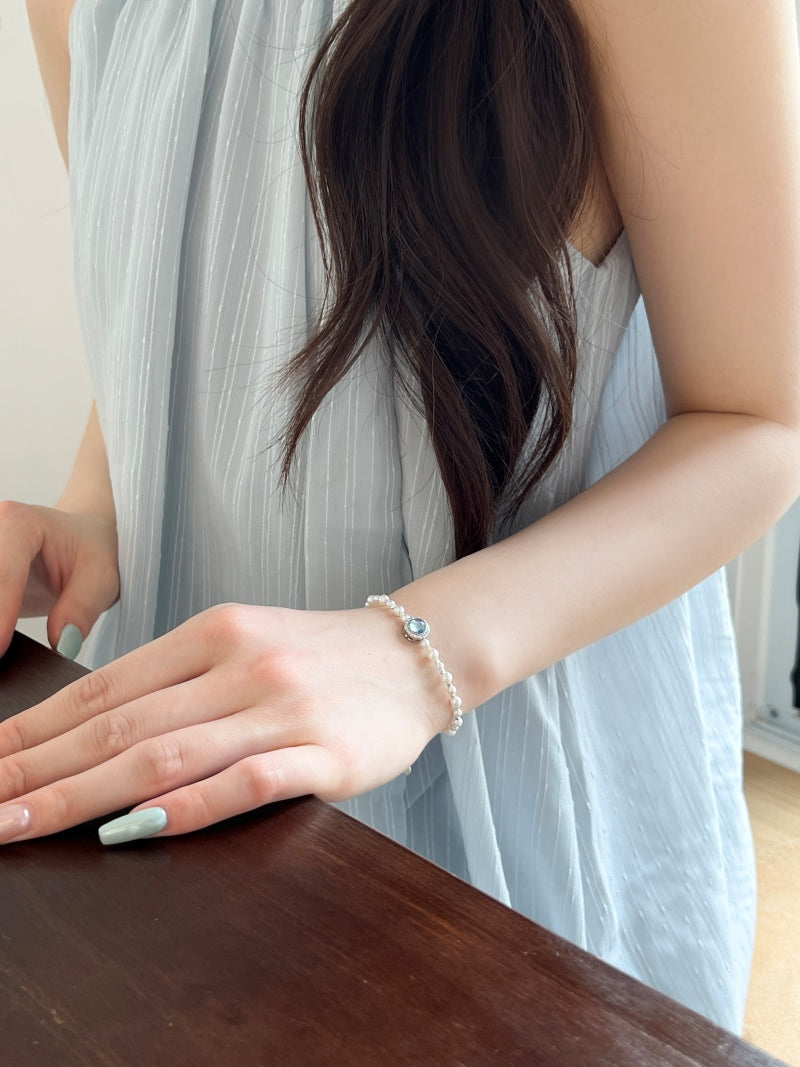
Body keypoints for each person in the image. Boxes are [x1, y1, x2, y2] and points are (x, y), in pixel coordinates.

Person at [3, 0, 799, 1033]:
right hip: (188, 779)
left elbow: (757, 415)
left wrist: (411, 654)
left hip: (520, 817)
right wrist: (96, 511)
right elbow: (163, 307)